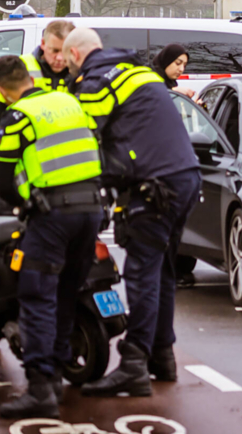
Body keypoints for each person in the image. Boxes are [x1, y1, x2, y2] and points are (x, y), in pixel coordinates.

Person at [63, 27, 201, 397]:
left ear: (75, 55)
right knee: (162, 270)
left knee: (141, 273)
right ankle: (162, 355)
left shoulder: (96, 83)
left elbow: (85, 138)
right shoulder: (136, 71)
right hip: (186, 178)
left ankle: (135, 363)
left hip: (154, 187)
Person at [0, 56, 105, 419]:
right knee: (66, 293)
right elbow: (98, 145)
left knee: (37, 296)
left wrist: (27, 203)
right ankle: (55, 372)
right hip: (91, 210)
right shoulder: (70, 102)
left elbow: (2, 181)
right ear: (29, 77)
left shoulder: (18, 117)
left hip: (52, 215)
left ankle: (41, 388)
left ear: (2, 90)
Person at [0, 19, 77, 208]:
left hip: (64, 178)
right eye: (54, 50)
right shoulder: (19, 69)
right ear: (43, 44)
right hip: (17, 179)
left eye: (65, 51)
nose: (60, 58)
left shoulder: (79, 73)